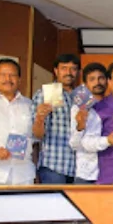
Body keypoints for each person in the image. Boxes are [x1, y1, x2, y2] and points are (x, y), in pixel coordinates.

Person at [30, 54, 80, 184]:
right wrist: (40, 118)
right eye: (64, 68)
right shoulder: (47, 93)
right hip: (54, 165)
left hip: (78, 168)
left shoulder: (80, 97)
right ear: (56, 71)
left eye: (73, 69)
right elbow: (36, 135)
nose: (69, 72)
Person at [68, 62, 108, 184]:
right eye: (92, 79)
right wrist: (80, 127)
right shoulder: (77, 108)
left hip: (109, 172)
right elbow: (74, 145)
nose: (97, 82)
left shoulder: (112, 106)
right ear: (85, 84)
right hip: (86, 174)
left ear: (107, 81)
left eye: (101, 78)